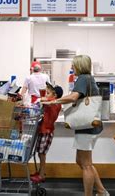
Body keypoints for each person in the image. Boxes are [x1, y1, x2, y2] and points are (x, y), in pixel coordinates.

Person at [43, 55, 108, 196]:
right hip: (89, 126)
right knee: (81, 161)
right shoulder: (89, 79)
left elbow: (73, 97)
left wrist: (54, 101)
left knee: (86, 164)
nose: (72, 68)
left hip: (87, 128)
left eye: (74, 65)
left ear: (79, 65)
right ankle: (102, 191)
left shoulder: (83, 79)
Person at [30, 82, 64, 183]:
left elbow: (45, 100)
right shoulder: (52, 102)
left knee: (42, 154)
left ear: (55, 95)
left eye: (48, 93)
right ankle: (40, 172)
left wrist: (40, 99)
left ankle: (41, 175)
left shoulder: (55, 103)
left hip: (47, 132)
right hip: (43, 130)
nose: (46, 95)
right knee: (40, 153)